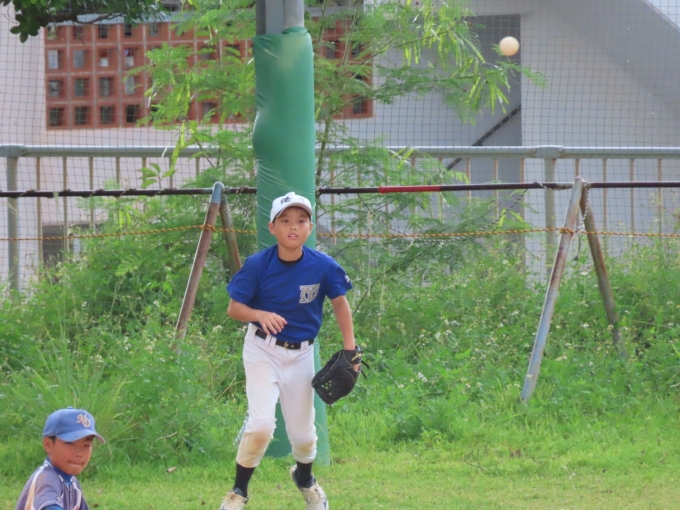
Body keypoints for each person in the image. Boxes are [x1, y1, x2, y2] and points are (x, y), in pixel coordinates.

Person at [220, 191, 359, 510]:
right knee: (261, 426)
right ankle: (238, 492)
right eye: (284, 220)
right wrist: (259, 314)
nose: (293, 227)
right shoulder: (259, 265)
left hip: (301, 355)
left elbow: (340, 303)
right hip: (262, 350)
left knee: (304, 437)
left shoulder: (323, 266)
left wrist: (350, 350)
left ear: (310, 227)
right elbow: (234, 308)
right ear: (272, 228)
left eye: (300, 220)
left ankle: (305, 480)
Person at [15, 407, 106, 510]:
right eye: (70, 444)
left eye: (86, 445)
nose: (79, 453)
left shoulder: (73, 484)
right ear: (48, 445)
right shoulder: (46, 480)